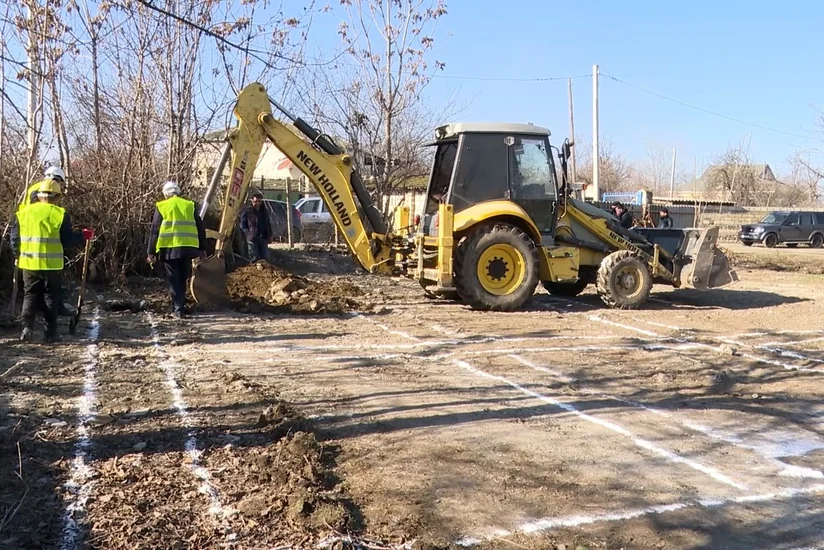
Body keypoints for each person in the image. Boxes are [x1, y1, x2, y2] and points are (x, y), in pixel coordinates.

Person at [10, 179, 91, 342]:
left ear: (39, 195)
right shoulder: (60, 215)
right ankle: (50, 334)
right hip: (51, 265)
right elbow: (67, 240)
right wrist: (84, 236)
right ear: (57, 197)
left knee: (30, 295)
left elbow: (14, 239)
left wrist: (17, 255)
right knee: (50, 297)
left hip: (29, 263)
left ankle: (27, 328)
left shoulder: (23, 213)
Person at [147, 181, 207, 319]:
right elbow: (200, 228)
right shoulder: (189, 205)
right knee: (182, 277)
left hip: (169, 248)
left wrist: (150, 252)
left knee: (173, 278)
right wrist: (202, 249)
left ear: (165, 194)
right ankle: (180, 305)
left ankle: (178, 309)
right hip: (188, 248)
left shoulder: (162, 206)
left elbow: (155, 230)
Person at [240, 192, 272, 262]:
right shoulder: (247, 212)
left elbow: (268, 224)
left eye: (259, 201)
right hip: (252, 239)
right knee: (254, 258)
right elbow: (242, 225)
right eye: (256, 201)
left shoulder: (264, 211)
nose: (258, 203)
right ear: (252, 201)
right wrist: (248, 233)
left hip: (263, 238)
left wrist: (270, 235)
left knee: (266, 258)